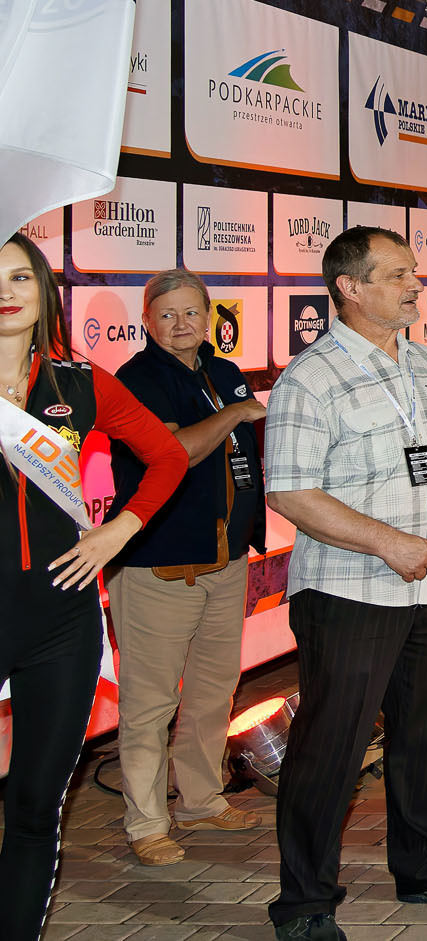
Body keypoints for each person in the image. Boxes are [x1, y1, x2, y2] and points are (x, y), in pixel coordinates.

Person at [263, 226, 427, 941]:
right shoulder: (309, 378)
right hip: (349, 592)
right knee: (332, 748)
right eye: (398, 275)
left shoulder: (422, 360)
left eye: (415, 272)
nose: (417, 285)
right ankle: (304, 904)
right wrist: (387, 542)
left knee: (425, 735)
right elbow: (290, 492)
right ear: (349, 288)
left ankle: (426, 869)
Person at [0, 233, 187, 939]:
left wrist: (120, 530)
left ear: (45, 290)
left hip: (61, 623)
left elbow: (167, 456)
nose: (6, 292)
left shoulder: (78, 384)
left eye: (21, 276)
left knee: (34, 807)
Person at [108, 269, 270, 867]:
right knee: (150, 705)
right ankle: (147, 824)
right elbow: (176, 452)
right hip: (158, 568)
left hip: (225, 563)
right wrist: (236, 414)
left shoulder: (223, 374)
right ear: (147, 321)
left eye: (192, 312)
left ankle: (201, 800)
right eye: (167, 314)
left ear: (210, 317)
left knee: (212, 693)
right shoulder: (136, 380)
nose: (181, 324)